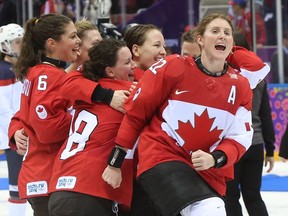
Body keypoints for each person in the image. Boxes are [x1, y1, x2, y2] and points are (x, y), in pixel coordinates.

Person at [102, 13, 258, 216]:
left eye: (227, 33)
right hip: (162, 158)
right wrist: (116, 161)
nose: (222, 36)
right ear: (200, 39)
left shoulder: (241, 85)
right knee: (209, 209)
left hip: (207, 171)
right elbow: (136, 112)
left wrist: (216, 158)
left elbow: (240, 137)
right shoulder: (172, 66)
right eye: (215, 31)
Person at [48, 38, 136, 216]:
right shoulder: (131, 91)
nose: (133, 65)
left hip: (61, 187)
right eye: (128, 62)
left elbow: (67, 82)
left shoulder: (85, 86)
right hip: (94, 190)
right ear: (110, 71)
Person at [8, 13, 81, 216]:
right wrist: (86, 118)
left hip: (45, 176)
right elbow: (46, 128)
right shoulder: (48, 75)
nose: (79, 42)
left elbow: (27, 114)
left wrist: (16, 129)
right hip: (47, 176)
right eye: (73, 36)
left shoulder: (43, 72)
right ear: (52, 43)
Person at [225, 31, 275, 216]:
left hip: (232, 146)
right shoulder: (259, 79)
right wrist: (270, 150)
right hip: (255, 144)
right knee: (253, 196)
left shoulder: (224, 78)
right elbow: (265, 115)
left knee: (230, 197)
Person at [0, 23, 27, 216]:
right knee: (17, 188)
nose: (21, 45)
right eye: (17, 42)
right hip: (14, 136)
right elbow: (4, 110)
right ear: (5, 45)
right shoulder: (3, 71)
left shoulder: (22, 67)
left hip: (24, 132)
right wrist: (14, 134)